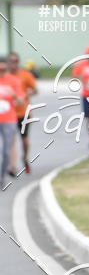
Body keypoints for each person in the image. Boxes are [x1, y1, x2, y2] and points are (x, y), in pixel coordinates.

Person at [7, 52, 37, 175]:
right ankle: (12, 166)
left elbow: (35, 90)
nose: (13, 64)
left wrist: (24, 95)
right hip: (9, 114)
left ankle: (24, 158)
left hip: (24, 112)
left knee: (24, 140)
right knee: (11, 140)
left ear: (18, 62)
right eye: (11, 61)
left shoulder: (25, 75)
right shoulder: (4, 76)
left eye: (15, 61)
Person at [0, 56, 24, 188]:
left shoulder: (13, 81)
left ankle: (2, 176)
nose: (2, 71)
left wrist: (14, 95)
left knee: (6, 151)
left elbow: (21, 101)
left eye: (4, 69)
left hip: (9, 120)